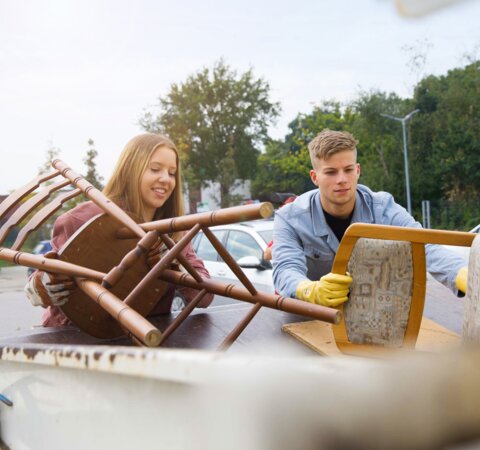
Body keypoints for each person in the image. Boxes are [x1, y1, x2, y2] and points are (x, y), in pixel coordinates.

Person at [24, 133, 214, 327]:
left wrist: (176, 264)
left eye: (172, 173)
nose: (166, 179)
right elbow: (41, 283)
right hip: (77, 342)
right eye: (155, 169)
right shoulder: (81, 220)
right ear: (131, 169)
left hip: (146, 342)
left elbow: (205, 297)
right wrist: (42, 286)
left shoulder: (174, 232)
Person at [272, 129, 468, 307]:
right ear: (315, 177)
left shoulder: (383, 208)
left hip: (372, 319)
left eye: (348, 170)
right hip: (309, 317)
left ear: (357, 170)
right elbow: (284, 270)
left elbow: (425, 245)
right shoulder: (289, 218)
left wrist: (464, 275)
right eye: (331, 172)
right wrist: (310, 290)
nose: (341, 179)